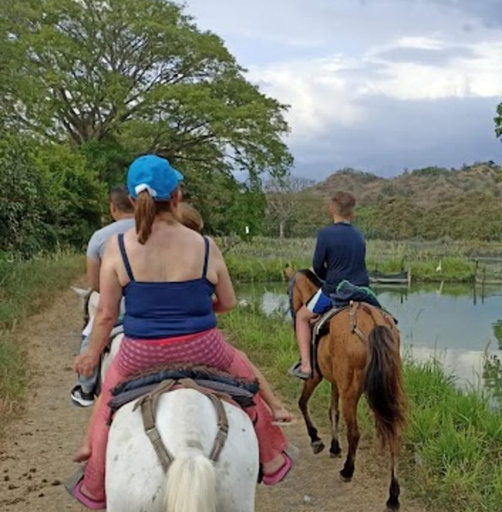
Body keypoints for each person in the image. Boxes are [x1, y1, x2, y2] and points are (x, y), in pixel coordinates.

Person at [69, 155, 293, 509]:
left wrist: (90, 354)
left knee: (108, 396)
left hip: (141, 351)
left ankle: (93, 470)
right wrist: (199, 310)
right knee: (246, 385)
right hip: (204, 347)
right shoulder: (203, 245)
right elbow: (228, 301)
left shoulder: (117, 248)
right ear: (176, 196)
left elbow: (107, 314)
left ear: (132, 200)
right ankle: (269, 453)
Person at [290, 191, 369, 380]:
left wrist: (328, 279)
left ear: (331, 209)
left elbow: (317, 265)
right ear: (353, 213)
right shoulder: (359, 235)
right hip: (362, 290)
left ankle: (307, 366)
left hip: (335, 290)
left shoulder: (325, 234)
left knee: (302, 317)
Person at [70, 186, 135, 407]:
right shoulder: (155, 231)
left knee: (91, 339)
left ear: (112, 207)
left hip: (119, 308)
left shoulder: (100, 237)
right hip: (156, 305)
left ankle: (86, 388)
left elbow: (95, 284)